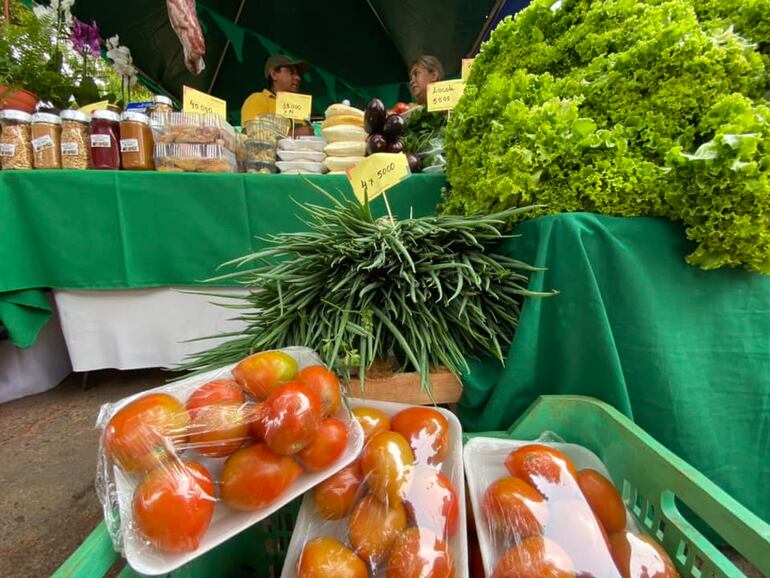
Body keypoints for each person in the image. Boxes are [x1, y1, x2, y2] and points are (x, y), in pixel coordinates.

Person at [241, 54, 314, 135]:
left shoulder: (300, 107)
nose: (298, 78)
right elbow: (250, 135)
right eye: (291, 72)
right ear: (274, 74)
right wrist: (294, 134)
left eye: (298, 74)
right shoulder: (257, 99)